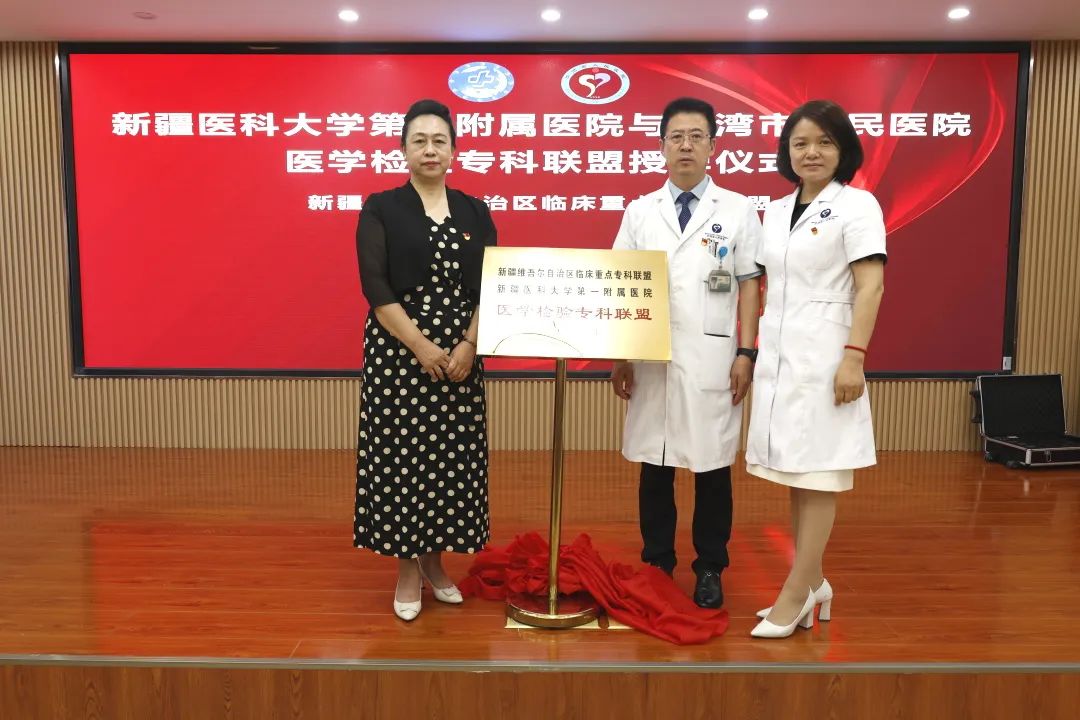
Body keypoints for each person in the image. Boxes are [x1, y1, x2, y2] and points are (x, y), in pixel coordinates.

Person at [610, 97, 763, 609]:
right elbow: (620, 284)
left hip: (712, 357)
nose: (686, 145)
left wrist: (746, 352)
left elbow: (749, 285)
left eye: (697, 136)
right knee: (655, 466)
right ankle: (657, 563)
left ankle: (710, 566)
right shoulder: (640, 211)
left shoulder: (737, 210)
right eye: (676, 136)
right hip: (652, 357)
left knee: (711, 467)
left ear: (713, 146)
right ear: (661, 146)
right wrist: (622, 355)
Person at [746, 99, 886, 638]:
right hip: (783, 355)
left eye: (825, 142)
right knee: (798, 473)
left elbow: (871, 286)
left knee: (821, 473)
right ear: (786, 150)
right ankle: (815, 580)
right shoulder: (776, 210)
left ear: (843, 149)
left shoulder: (857, 205)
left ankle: (797, 590)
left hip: (830, 354)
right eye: (800, 142)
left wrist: (854, 356)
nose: (811, 152)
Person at [353, 99, 497, 622]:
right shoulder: (381, 207)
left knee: (448, 461)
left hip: (460, 356)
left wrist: (467, 346)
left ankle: (435, 563)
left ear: (454, 151)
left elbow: (491, 285)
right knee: (401, 461)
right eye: (419, 140)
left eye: (440, 141)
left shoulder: (475, 211)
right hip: (399, 354)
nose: (430, 149)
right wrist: (422, 347)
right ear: (403, 150)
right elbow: (375, 286)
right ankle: (407, 570)